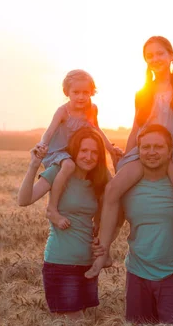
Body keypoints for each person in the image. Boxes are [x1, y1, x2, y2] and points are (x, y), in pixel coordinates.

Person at [95, 36, 173, 282]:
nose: (155, 59)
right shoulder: (142, 92)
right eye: (150, 55)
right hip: (146, 150)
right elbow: (136, 130)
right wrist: (125, 159)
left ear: (171, 55)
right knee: (114, 188)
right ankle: (102, 253)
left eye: (160, 54)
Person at [86, 124, 173, 324]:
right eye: (145, 147)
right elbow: (116, 222)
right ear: (137, 151)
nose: (151, 152)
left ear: (170, 152)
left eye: (158, 147)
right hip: (137, 274)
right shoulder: (127, 185)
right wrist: (102, 245)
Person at [18, 127, 110, 319]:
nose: (89, 156)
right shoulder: (58, 171)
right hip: (61, 263)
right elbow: (24, 200)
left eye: (94, 152)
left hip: (87, 265)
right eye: (84, 151)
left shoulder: (97, 181)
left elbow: (113, 205)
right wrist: (34, 165)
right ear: (75, 150)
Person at [36, 69, 122, 231]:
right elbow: (50, 131)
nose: (81, 97)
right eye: (76, 92)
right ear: (67, 92)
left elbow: (96, 128)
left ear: (91, 92)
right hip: (60, 151)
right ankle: (52, 209)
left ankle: (98, 219)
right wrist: (42, 145)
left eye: (86, 92)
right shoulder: (63, 111)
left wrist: (110, 149)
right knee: (68, 166)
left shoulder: (91, 109)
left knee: (107, 179)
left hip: (81, 152)